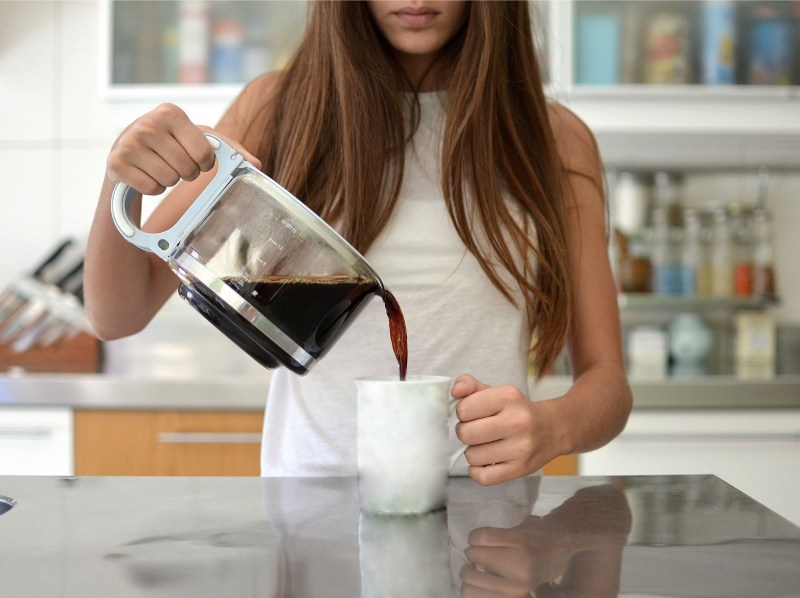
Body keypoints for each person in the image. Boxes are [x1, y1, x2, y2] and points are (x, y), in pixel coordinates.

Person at [85, 0, 632, 484]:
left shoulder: (553, 139)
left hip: (489, 530)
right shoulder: (278, 109)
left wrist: (553, 427)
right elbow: (117, 316)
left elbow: (607, 381)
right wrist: (122, 181)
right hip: (311, 512)